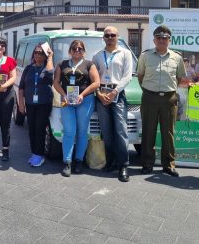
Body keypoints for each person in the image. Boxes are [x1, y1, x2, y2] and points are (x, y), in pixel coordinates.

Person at [137, 25, 186, 177]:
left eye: (165, 38)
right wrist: (149, 90)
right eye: (159, 38)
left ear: (169, 40)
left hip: (169, 99)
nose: (162, 40)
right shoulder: (145, 56)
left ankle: (168, 165)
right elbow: (140, 76)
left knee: (168, 133)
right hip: (149, 97)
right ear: (154, 40)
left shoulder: (177, 57)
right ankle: (146, 163)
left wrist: (167, 90)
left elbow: (179, 78)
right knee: (148, 132)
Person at [54, 40, 100, 176]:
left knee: (81, 131)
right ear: (70, 51)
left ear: (84, 51)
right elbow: (56, 82)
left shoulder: (89, 64)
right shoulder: (62, 64)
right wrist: (63, 95)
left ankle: (79, 160)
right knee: (69, 131)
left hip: (85, 100)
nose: (77, 51)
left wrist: (82, 95)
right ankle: (67, 162)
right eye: (74, 49)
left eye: (80, 49)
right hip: (66, 101)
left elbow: (96, 82)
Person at [92, 26, 132, 182]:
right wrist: (99, 94)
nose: (110, 38)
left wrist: (114, 92)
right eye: (107, 35)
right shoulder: (97, 56)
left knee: (121, 130)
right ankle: (111, 160)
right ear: (103, 37)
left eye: (112, 35)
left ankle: (123, 165)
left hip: (117, 94)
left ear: (118, 36)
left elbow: (127, 77)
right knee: (106, 131)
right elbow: (94, 78)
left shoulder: (125, 53)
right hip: (101, 95)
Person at [18, 44, 54, 167]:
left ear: (45, 56)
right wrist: (21, 104)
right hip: (30, 103)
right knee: (32, 129)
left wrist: (50, 58)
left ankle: (39, 155)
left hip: (43, 104)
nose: (38, 55)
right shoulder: (28, 68)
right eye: (36, 53)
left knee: (39, 129)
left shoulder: (47, 67)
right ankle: (35, 153)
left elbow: (50, 74)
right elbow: (21, 87)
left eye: (41, 53)